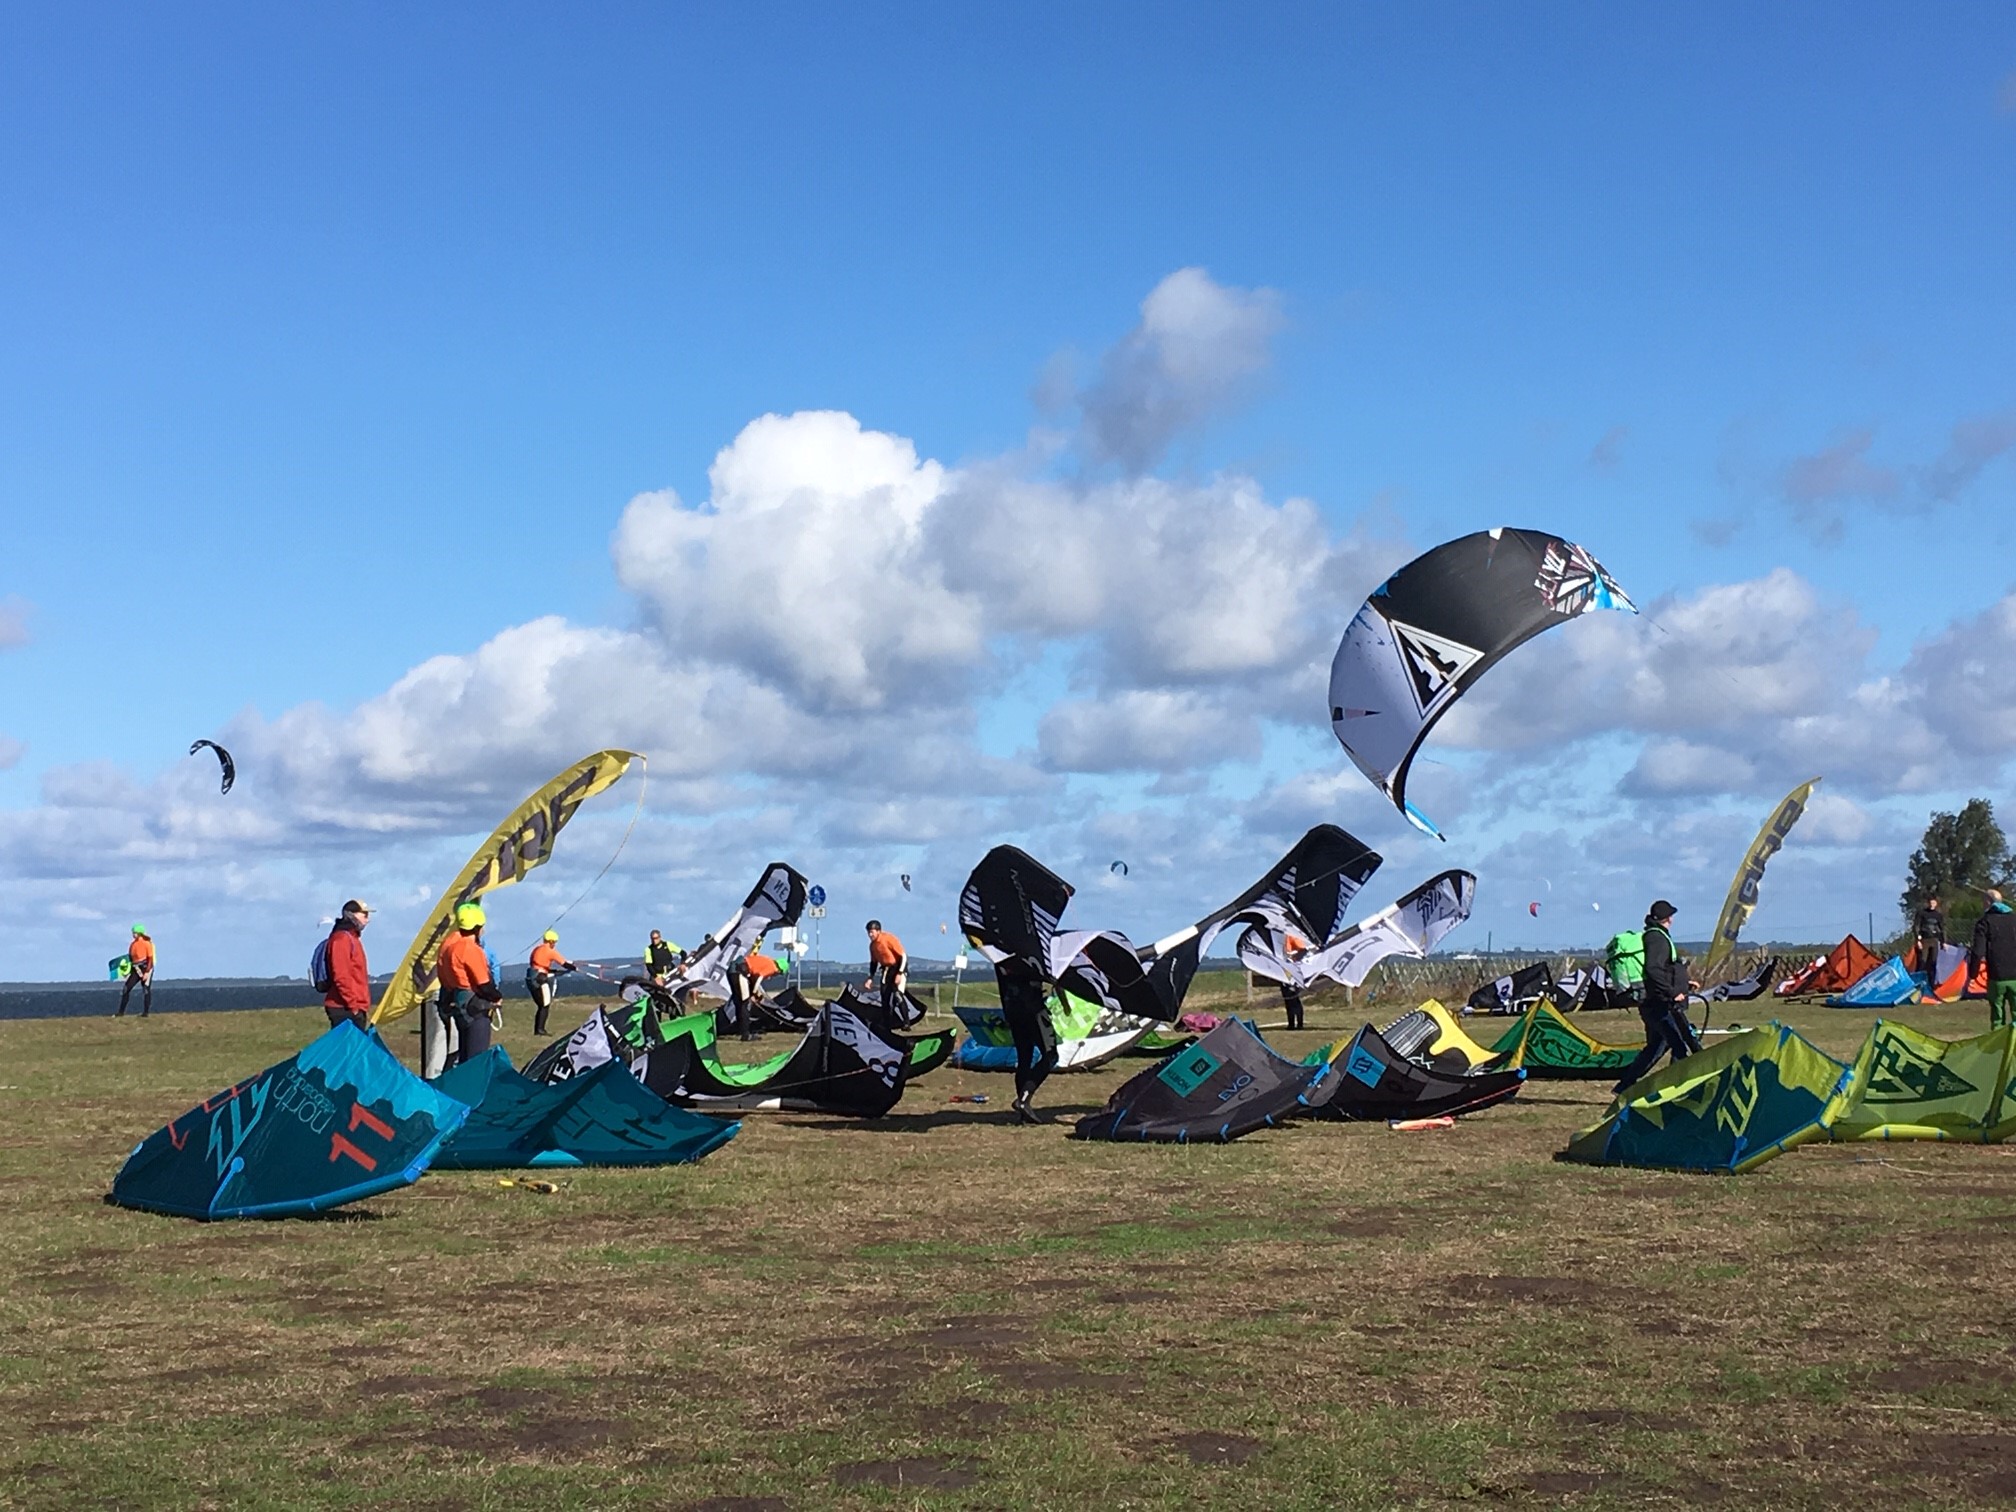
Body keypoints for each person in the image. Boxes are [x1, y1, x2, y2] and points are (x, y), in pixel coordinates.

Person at [1611, 900, 1702, 1094]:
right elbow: (1653, 968)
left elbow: (1667, 969)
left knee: (1657, 1046)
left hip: (1657, 1001)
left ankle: (1624, 1086)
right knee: (1679, 1044)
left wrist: (1685, 984)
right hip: (1660, 1002)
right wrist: (1671, 993)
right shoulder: (1656, 938)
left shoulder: (1657, 936)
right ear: (1668, 918)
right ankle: (1676, 1089)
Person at [437, 902, 504, 1067]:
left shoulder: (450, 945)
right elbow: (483, 984)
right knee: (476, 1061)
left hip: (460, 1002)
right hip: (475, 1007)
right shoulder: (470, 949)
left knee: (465, 1055)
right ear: (477, 927)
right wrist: (497, 997)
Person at [994, 955, 1058, 1124]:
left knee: (1025, 1058)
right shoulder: (1025, 949)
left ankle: (1023, 1113)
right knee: (1051, 1055)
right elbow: (1037, 971)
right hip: (1033, 1009)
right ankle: (1024, 1100)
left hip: (1012, 1008)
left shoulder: (997, 954)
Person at [322, 900, 373, 1029]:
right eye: (364, 915)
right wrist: (353, 1006)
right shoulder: (342, 939)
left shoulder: (352, 938)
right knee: (346, 1048)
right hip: (344, 1008)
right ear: (352, 915)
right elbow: (341, 976)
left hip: (353, 1007)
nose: (368, 920)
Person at [1969, 890, 2016, 1030]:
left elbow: (1978, 951)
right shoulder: (2014, 919)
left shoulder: (1984, 922)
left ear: (1988, 902)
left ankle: (1998, 1049)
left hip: (1997, 976)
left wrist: (1973, 974)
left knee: (1997, 1017)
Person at [526, 930, 575, 1037]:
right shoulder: (550, 951)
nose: (555, 945)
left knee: (541, 1005)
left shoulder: (537, 949)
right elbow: (564, 963)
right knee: (545, 1004)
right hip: (540, 979)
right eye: (555, 942)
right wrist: (574, 968)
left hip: (531, 976)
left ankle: (538, 1029)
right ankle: (540, 1030)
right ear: (551, 941)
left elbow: (538, 965)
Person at [865, 919, 906, 1021]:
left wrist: (900, 973)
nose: (870, 935)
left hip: (898, 968)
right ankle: (887, 1023)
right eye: (868, 932)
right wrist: (870, 978)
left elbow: (903, 956)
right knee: (885, 997)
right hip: (886, 971)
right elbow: (874, 963)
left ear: (878, 931)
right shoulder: (872, 946)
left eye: (872, 932)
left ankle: (906, 1022)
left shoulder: (888, 939)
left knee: (897, 995)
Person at [116, 924, 155, 1018]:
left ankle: (145, 1013)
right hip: (135, 969)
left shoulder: (147, 944)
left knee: (146, 990)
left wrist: (146, 972)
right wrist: (126, 972)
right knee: (126, 989)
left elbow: (150, 959)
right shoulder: (132, 945)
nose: (133, 934)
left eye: (134, 932)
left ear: (139, 933)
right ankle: (121, 1012)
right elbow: (130, 959)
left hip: (145, 968)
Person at [1915, 895, 1947, 986]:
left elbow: (1942, 928)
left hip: (1934, 940)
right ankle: (1919, 983)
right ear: (1927, 903)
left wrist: (1943, 942)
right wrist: (1918, 939)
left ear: (1936, 904)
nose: (1931, 904)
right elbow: (1917, 926)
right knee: (1922, 962)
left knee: (1933, 962)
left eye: (1933, 902)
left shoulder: (1938, 915)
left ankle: (1931, 984)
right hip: (1924, 940)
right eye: (1930, 902)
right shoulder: (1922, 913)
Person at [1279, 932, 1308, 1030]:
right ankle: (1291, 1023)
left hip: (1292, 970)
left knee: (1293, 998)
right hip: (1284, 970)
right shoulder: (1281, 937)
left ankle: (1299, 1024)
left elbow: (1303, 950)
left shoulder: (1292, 935)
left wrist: (1294, 958)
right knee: (1287, 998)